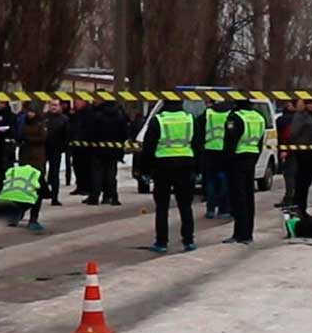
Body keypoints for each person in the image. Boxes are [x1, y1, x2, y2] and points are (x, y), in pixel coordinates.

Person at [140, 101, 199, 254]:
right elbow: (198, 145)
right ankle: (188, 240)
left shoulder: (158, 120)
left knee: (162, 207)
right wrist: (198, 167)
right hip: (185, 165)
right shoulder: (190, 119)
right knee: (185, 205)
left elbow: (148, 147)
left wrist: (145, 170)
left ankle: (162, 242)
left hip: (163, 166)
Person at [223, 99, 266, 244]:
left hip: (237, 158)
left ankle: (240, 233)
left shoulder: (235, 117)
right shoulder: (259, 116)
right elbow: (261, 140)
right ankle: (247, 233)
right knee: (248, 196)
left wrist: (227, 160)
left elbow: (230, 141)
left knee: (238, 197)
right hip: (252, 156)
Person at [16, 101, 49, 230]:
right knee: (22, 188)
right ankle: (20, 212)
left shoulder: (41, 123)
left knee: (37, 190)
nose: (30, 114)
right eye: (28, 111)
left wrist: (27, 138)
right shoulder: (22, 121)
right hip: (24, 159)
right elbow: (18, 135)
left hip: (37, 160)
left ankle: (33, 217)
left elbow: (42, 137)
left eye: (32, 112)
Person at [89, 100, 128, 206]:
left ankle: (94, 197)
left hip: (98, 149)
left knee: (97, 174)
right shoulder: (119, 116)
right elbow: (125, 133)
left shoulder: (98, 115)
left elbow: (92, 132)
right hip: (114, 150)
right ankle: (112, 197)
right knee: (111, 175)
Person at [200, 98, 232, 219]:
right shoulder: (230, 114)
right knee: (224, 180)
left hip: (209, 150)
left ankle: (210, 209)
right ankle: (224, 210)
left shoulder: (208, 113)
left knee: (211, 181)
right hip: (225, 151)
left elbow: (200, 130)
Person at [289, 98, 312, 213]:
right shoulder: (300, 116)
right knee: (302, 183)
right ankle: (300, 208)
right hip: (303, 153)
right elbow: (293, 133)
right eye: (311, 104)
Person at [0, 160, 44, 231]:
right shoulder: (36, 173)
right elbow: (45, 191)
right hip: (25, 200)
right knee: (38, 195)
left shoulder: (12, 170)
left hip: (6, 199)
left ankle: (13, 217)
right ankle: (33, 220)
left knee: (17, 197)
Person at [44, 99, 70, 205]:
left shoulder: (64, 119)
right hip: (44, 149)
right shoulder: (44, 118)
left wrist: (63, 147)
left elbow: (67, 134)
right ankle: (43, 192)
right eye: (51, 105)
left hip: (56, 149)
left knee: (55, 173)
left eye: (55, 105)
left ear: (60, 106)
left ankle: (54, 197)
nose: (53, 107)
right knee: (40, 172)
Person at [274, 102, 296, 208]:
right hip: (296, 151)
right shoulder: (297, 118)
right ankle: (292, 197)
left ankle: (289, 198)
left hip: (288, 151)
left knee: (289, 175)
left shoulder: (283, 120)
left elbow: (286, 136)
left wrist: (284, 150)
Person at [69, 99, 93, 196]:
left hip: (86, 146)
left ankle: (87, 187)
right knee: (77, 166)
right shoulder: (76, 114)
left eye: (77, 101)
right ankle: (80, 186)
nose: (75, 103)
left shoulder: (89, 113)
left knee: (86, 167)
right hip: (76, 145)